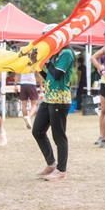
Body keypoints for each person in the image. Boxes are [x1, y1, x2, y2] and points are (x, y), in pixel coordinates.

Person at [32, 24, 75, 181]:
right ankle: (51, 163)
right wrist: (37, 65)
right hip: (49, 98)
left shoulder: (66, 53)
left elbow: (57, 74)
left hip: (60, 99)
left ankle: (61, 170)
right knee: (37, 131)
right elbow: (49, 77)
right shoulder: (55, 54)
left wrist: (46, 59)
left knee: (59, 136)